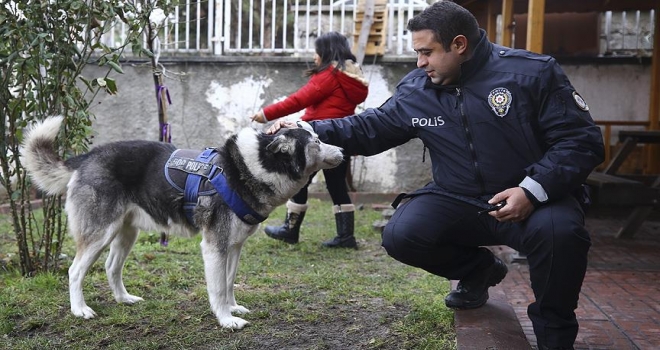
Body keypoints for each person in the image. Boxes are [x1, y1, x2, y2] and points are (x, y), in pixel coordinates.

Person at [266, 2, 604, 349]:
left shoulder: (532, 73)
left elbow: (580, 142)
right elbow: (369, 129)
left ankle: (555, 337)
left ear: (459, 45)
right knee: (402, 234)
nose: (419, 62)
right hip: (458, 198)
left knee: (560, 233)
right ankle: (478, 270)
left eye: (426, 52)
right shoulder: (418, 88)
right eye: (417, 53)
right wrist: (307, 128)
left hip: (532, 200)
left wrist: (531, 191)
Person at [251, 31, 369, 248]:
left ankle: (290, 229)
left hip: (318, 136)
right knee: (337, 185)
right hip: (342, 134)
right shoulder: (352, 76)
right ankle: (346, 236)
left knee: (300, 180)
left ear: (326, 51)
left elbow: (299, 100)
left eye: (317, 51)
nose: (315, 56)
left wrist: (266, 114)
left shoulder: (330, 76)